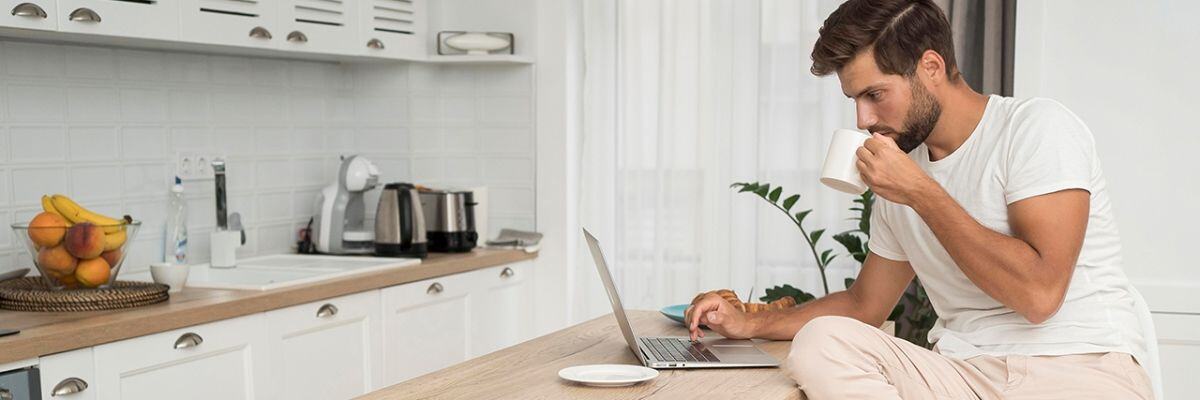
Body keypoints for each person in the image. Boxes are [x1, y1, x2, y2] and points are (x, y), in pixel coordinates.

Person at [684, 0, 1153, 398]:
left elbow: (1039, 295)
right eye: (854, 99)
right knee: (823, 341)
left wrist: (920, 193)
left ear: (930, 67)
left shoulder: (1035, 128)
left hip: (1076, 369)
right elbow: (864, 305)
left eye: (875, 94)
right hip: (961, 375)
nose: (864, 118)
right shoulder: (902, 179)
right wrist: (747, 323)